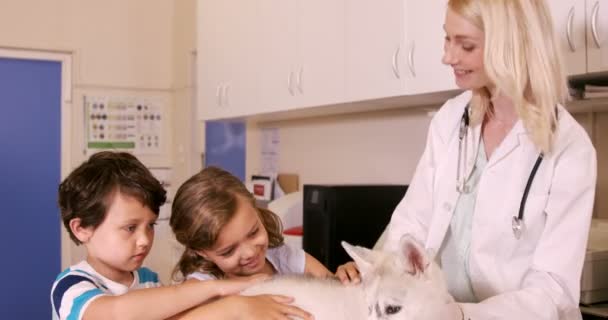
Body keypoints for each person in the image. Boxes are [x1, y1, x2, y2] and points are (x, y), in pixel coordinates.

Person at [336, 0, 597, 319]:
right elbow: (411, 225)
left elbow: (553, 291)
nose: (448, 56)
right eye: (447, 38)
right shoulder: (450, 121)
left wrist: (461, 315)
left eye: (466, 45)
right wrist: (375, 276)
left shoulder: (569, 148)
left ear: (510, 45)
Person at [52, 151, 312, 320]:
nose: (144, 239)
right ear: (81, 228)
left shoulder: (148, 281)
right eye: (131, 228)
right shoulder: (70, 287)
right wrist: (231, 302)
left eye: (150, 225)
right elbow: (115, 312)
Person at [170, 166, 332, 283]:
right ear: (202, 253)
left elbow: (332, 287)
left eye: (253, 232)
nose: (249, 253)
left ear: (256, 209)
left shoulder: (281, 256)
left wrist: (346, 277)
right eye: (228, 251)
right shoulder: (203, 284)